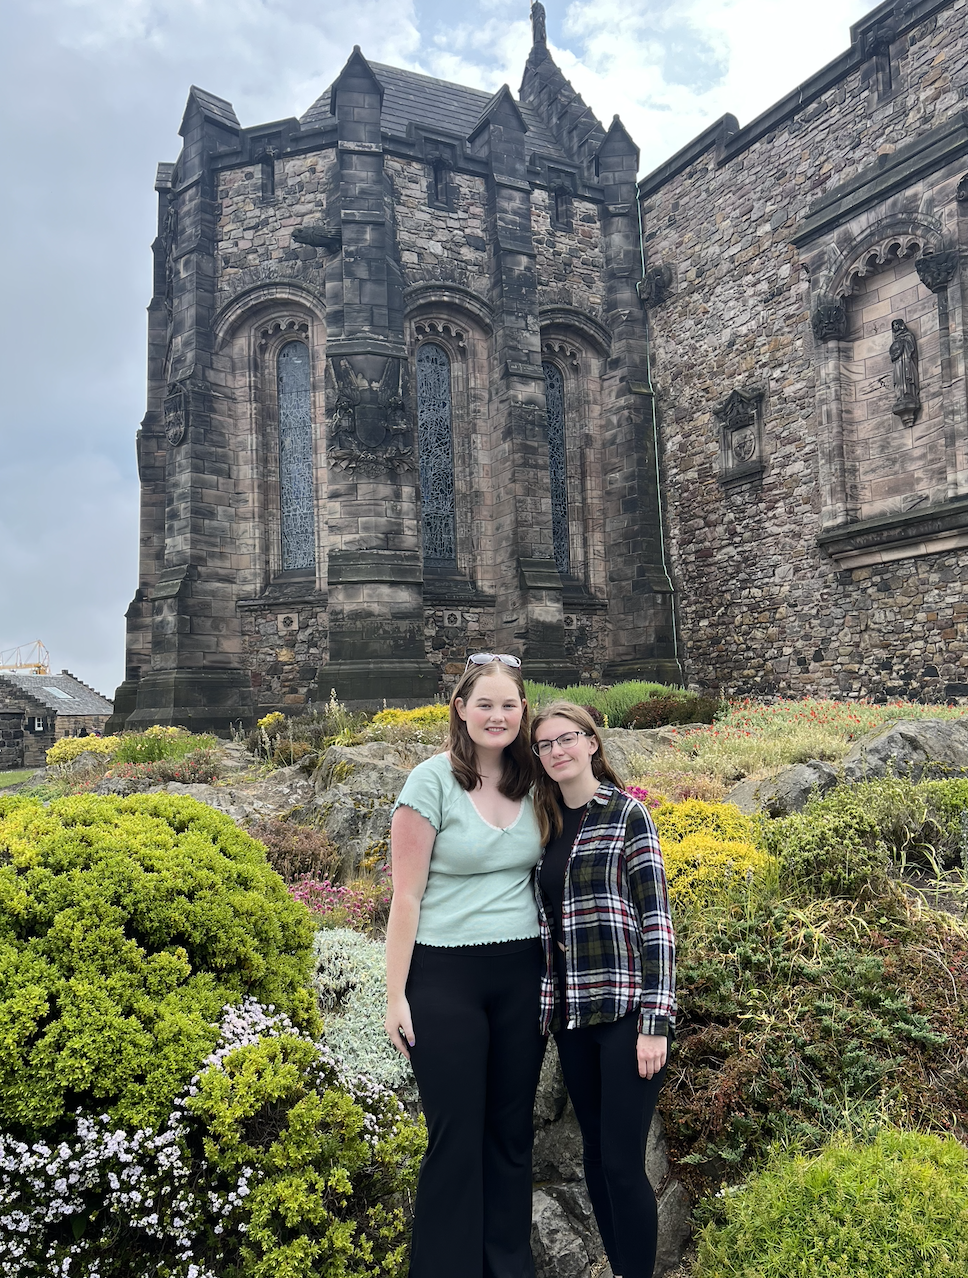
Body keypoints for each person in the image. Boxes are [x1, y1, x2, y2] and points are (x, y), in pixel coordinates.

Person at [384, 654, 545, 1278]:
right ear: (461, 709)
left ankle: (509, 1268)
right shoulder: (429, 782)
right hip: (444, 976)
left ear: (523, 711)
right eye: (485, 704)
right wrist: (394, 995)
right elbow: (407, 896)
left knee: (509, 1136)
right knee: (455, 1138)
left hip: (522, 973)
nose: (498, 716)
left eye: (509, 705)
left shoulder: (534, 780)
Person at [530, 700, 676, 1278]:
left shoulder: (627, 816)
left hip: (626, 1016)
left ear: (592, 743)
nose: (557, 751)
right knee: (595, 1160)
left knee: (620, 1162)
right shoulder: (542, 825)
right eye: (544, 744)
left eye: (567, 739)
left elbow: (657, 924)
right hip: (572, 1019)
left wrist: (654, 1023)